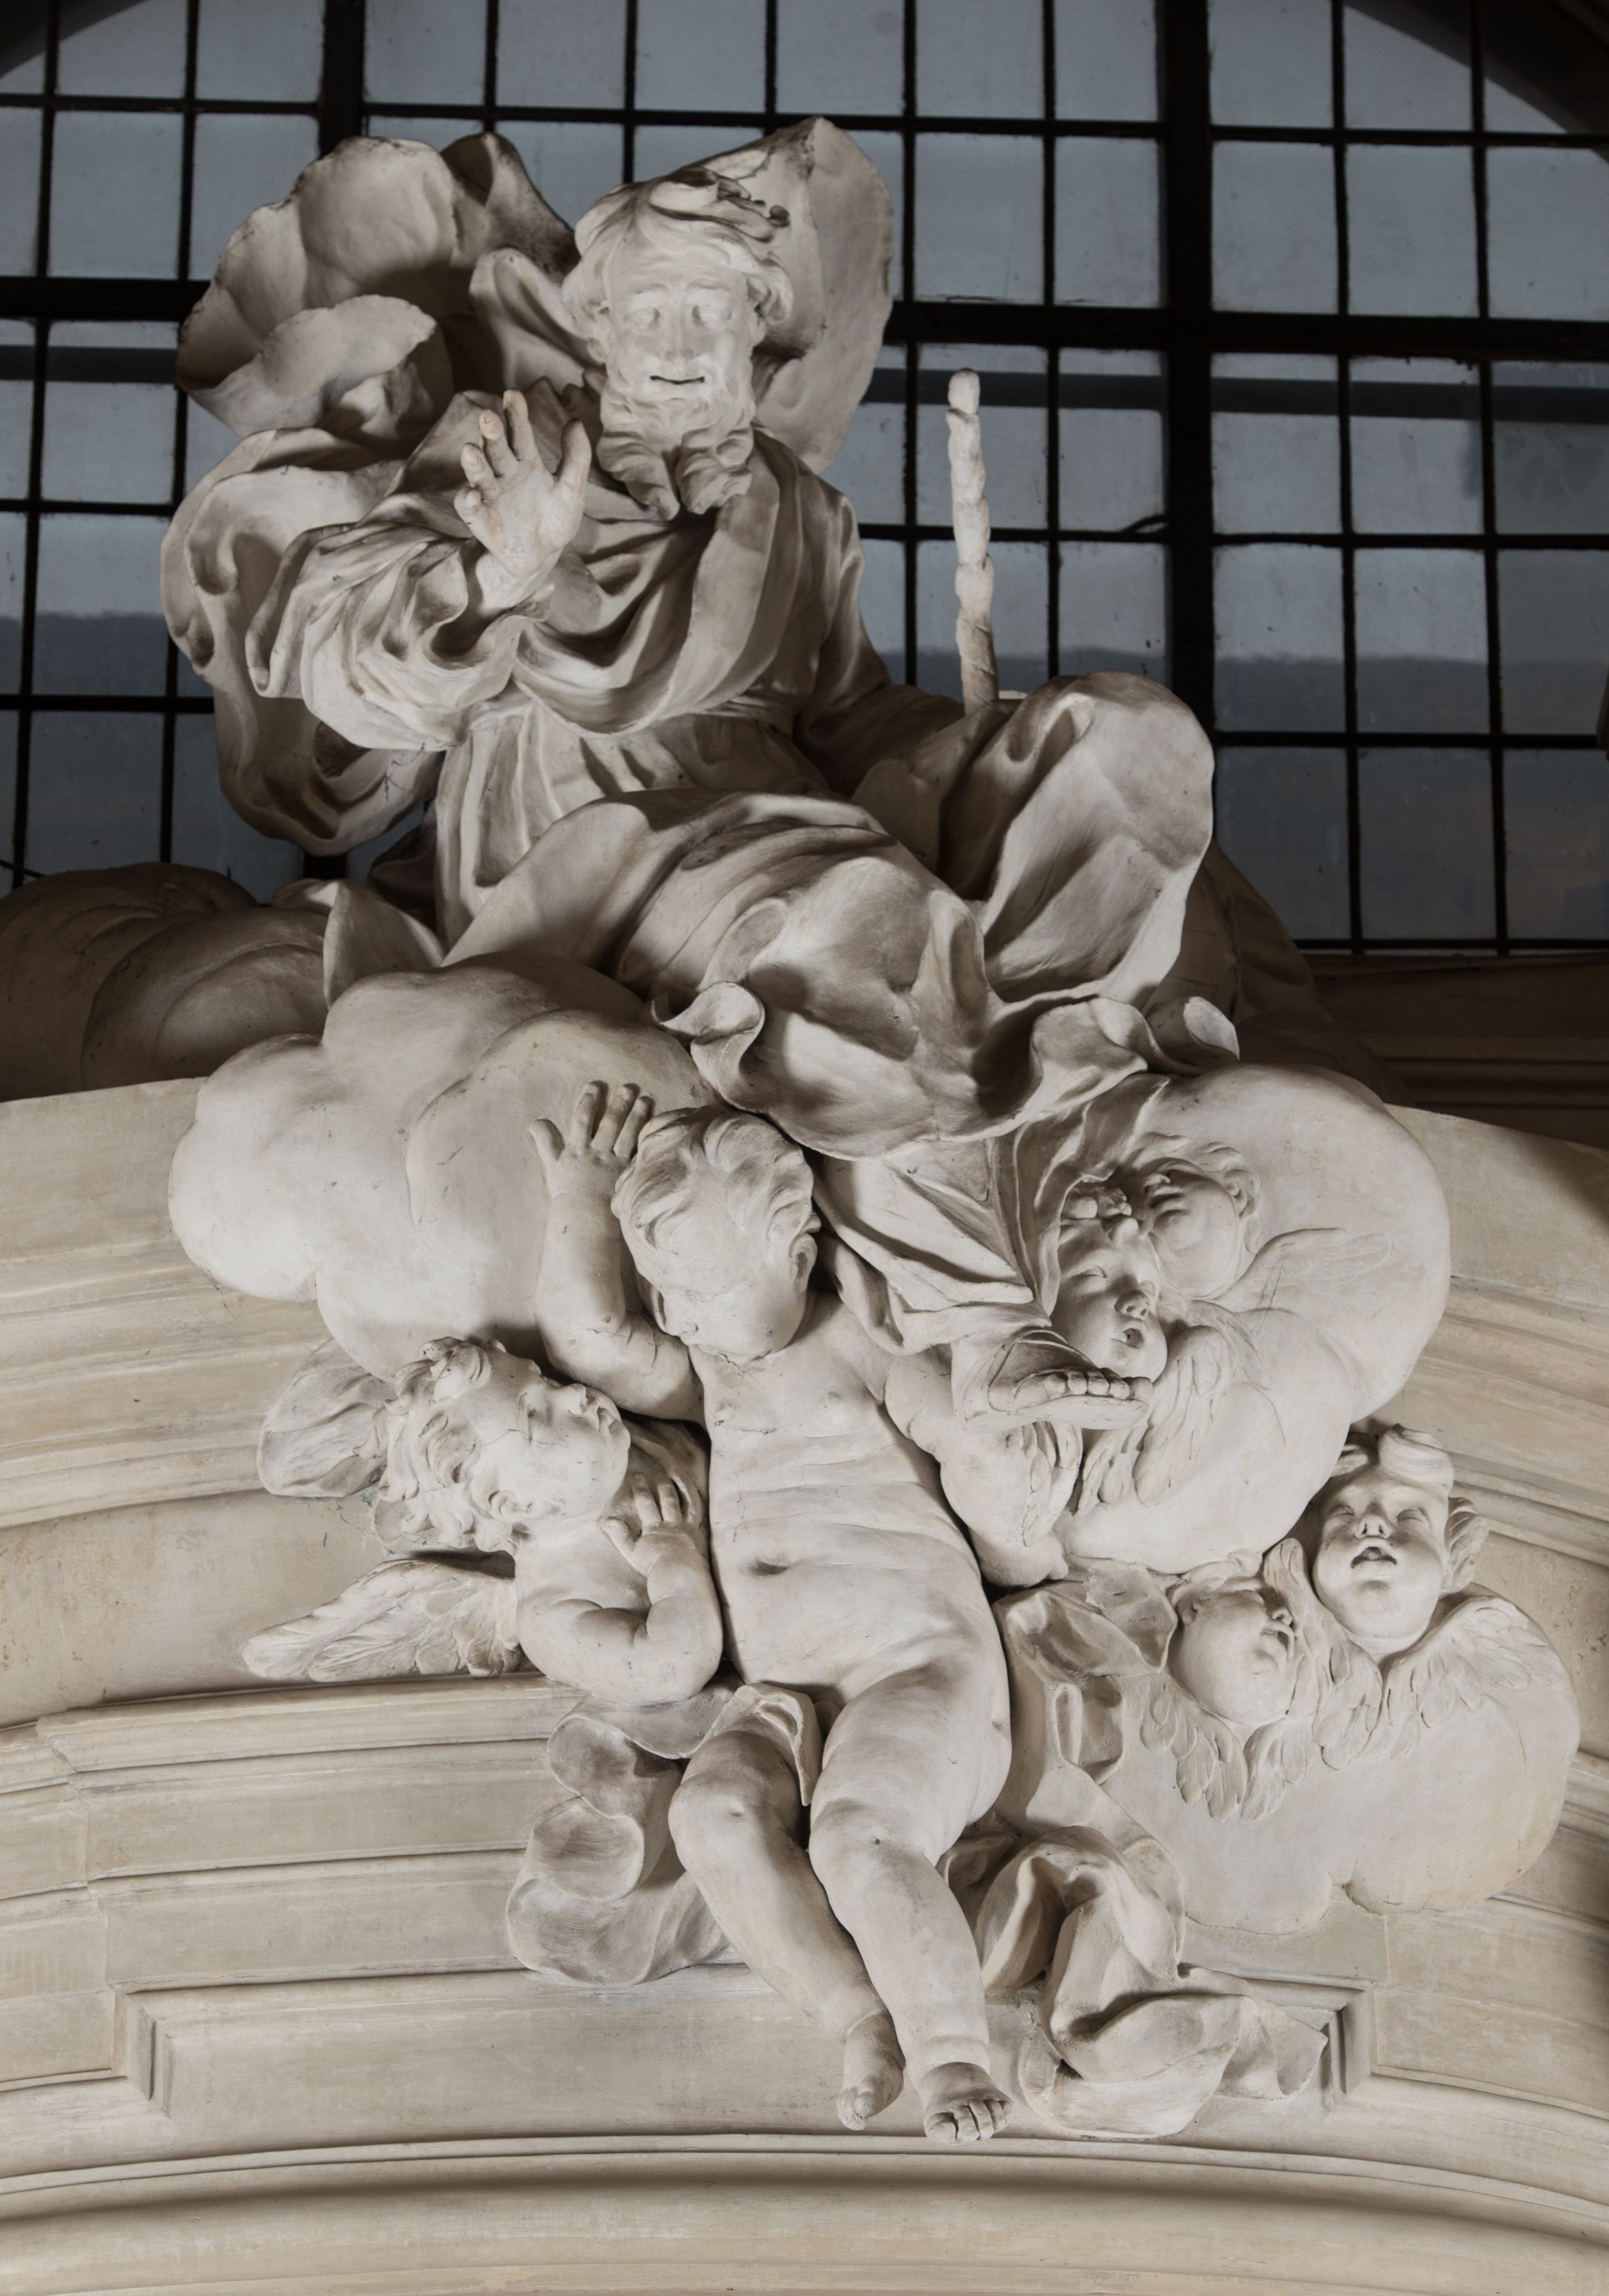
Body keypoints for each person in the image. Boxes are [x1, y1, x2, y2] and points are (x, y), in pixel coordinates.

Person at [528, 1081, 1015, 2145]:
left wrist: (1006, 1443)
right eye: (666, 1293)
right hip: (780, 1697)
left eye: (698, 1290)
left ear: (797, 1254)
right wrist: (578, 1197)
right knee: (710, 1817)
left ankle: (951, 2050)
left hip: (914, 1667)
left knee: (859, 1836)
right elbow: (593, 1336)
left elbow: (965, 1436)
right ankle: (856, 2015)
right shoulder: (710, 1367)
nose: (675, 1317)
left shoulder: (862, 1341)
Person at [245, 1336, 724, 1708]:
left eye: (546, 1382)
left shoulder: (618, 1445)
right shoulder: (555, 1612)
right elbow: (668, 1671)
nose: (575, 1394)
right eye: (537, 1417)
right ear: (515, 1505)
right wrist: (675, 1567)